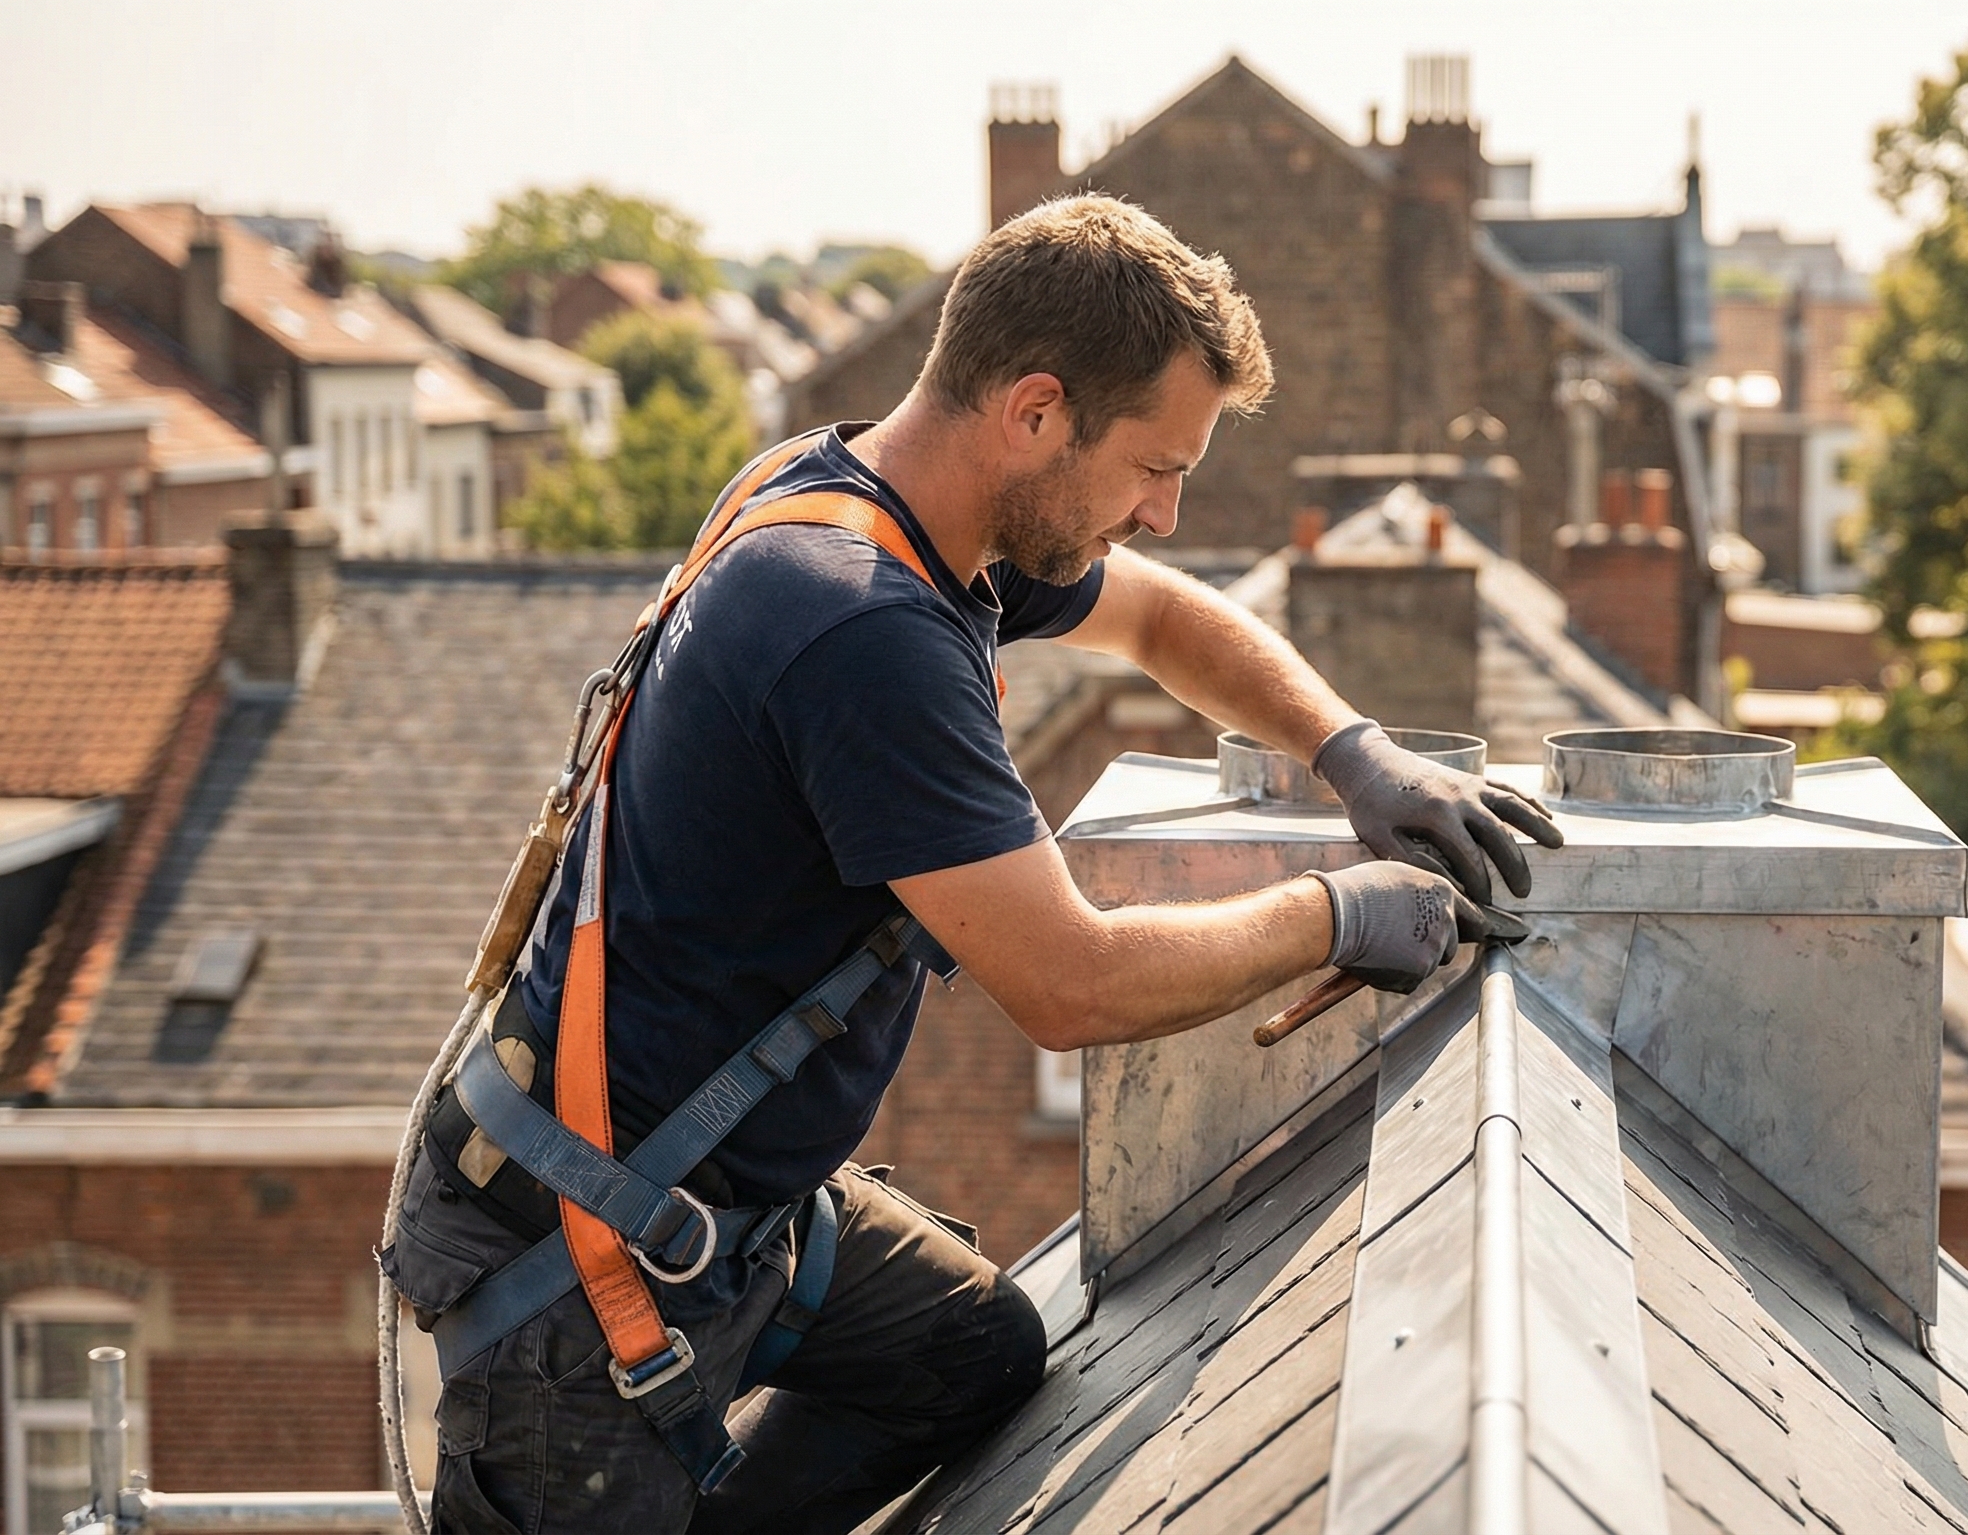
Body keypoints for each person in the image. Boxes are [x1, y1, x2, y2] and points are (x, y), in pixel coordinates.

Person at [382, 195, 1562, 1535]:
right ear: (1037, 412)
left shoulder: (891, 515)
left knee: (968, 1356)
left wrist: (1347, 749)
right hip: (583, 1262)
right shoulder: (858, 626)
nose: (1166, 515)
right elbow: (1073, 984)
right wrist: (1342, 912)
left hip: (723, 1210)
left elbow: (1165, 618)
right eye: (1154, 468)